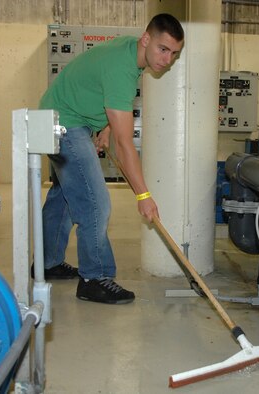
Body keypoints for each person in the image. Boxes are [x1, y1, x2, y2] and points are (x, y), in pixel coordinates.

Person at [37, 14, 184, 305]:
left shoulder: (129, 52)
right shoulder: (123, 69)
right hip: (65, 124)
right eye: (163, 49)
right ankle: (95, 278)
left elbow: (102, 91)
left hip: (56, 115)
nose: (167, 60)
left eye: (174, 53)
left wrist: (104, 127)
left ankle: (47, 261)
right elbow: (124, 143)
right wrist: (143, 194)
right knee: (94, 202)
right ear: (146, 39)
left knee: (66, 196)